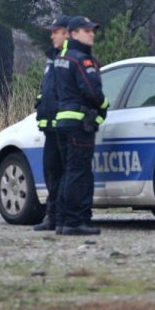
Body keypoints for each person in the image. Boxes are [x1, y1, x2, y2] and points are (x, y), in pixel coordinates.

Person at [54, 16, 108, 235]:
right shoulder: (82, 60)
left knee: (68, 172)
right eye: (86, 31)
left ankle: (62, 220)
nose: (92, 34)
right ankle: (75, 222)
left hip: (64, 122)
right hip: (79, 124)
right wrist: (105, 106)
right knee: (79, 173)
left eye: (92, 30)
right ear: (74, 34)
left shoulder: (61, 58)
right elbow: (92, 91)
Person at [33, 15, 70, 231]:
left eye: (55, 31)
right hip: (49, 127)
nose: (51, 35)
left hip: (63, 127)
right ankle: (53, 217)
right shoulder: (52, 58)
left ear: (66, 33)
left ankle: (63, 217)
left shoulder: (69, 59)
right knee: (51, 172)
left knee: (64, 174)